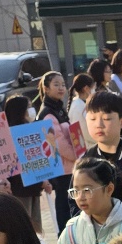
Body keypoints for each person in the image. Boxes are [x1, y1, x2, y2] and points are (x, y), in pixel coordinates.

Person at [36, 72, 83, 233]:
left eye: (63, 84)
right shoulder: (48, 112)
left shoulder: (58, 108)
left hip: (70, 168)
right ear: (46, 88)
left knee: (72, 209)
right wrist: (76, 155)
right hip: (62, 171)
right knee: (65, 211)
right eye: (56, 84)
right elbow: (58, 143)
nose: (61, 88)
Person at [1, 96, 48, 232]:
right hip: (21, 188)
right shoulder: (15, 133)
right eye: (28, 107)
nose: (31, 110)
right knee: (26, 226)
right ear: (20, 110)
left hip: (31, 187)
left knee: (31, 226)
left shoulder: (28, 129)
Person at [68, 72, 97, 149]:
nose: (94, 91)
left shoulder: (78, 104)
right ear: (86, 89)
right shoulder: (79, 107)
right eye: (93, 88)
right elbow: (86, 132)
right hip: (87, 148)